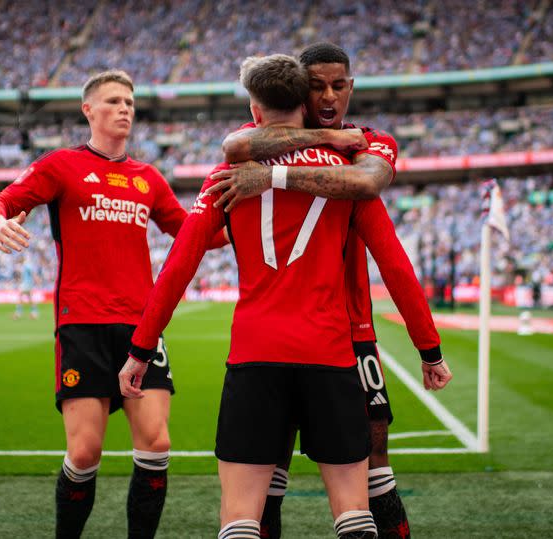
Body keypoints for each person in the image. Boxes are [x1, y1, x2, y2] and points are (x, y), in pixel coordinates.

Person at [119, 54, 451, 539]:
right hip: (332, 356)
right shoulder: (347, 169)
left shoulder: (225, 174)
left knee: (241, 517)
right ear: (305, 102)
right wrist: (429, 347)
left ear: (255, 110)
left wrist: (140, 349)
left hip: (256, 356)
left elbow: (177, 268)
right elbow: (395, 264)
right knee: (355, 515)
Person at [0, 70, 227, 539]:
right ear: (88, 110)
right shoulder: (60, 166)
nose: (125, 109)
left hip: (141, 327)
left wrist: (248, 222)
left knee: (156, 443)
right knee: (86, 452)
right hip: (83, 325)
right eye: (113, 101)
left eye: (130, 102)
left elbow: (195, 234)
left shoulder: (148, 178)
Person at [210, 42, 437, 538]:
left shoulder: (370, 141)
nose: (330, 96)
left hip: (351, 330)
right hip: (292, 332)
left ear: (352, 86)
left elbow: (368, 182)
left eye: (339, 85)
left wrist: (277, 174)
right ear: (298, 90)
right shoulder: (262, 137)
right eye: (316, 86)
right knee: (269, 470)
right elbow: (232, 147)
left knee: (375, 465)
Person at [14, 254, 40, 320]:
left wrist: (36, 279)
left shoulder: (27, 265)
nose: (19, 260)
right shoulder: (24, 266)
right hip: (28, 283)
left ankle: (18, 313)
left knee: (20, 297)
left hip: (26, 284)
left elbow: (32, 273)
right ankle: (34, 313)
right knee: (30, 298)